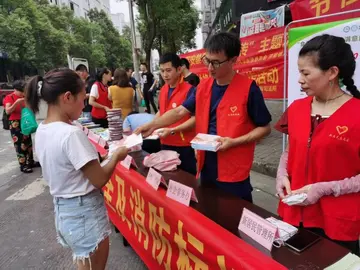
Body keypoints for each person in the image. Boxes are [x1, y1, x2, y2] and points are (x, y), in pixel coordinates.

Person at [136, 32, 271, 201]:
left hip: (233, 168)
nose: (210, 68)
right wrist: (153, 125)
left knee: (234, 216)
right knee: (210, 211)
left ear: (233, 60)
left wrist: (234, 142)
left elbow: (265, 128)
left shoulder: (248, 89)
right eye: (207, 61)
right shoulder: (203, 87)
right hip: (205, 163)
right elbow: (179, 111)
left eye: (216, 63)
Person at [25, 68, 129, 269]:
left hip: (65, 211)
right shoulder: (71, 134)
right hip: (84, 212)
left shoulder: (43, 129)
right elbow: (98, 179)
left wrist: (104, 158)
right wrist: (116, 156)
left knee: (84, 264)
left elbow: (72, 168)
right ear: (67, 97)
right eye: (82, 99)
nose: (83, 106)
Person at [275, 34, 360, 255]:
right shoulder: (297, 108)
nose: (300, 80)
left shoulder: (357, 114)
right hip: (293, 214)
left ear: (332, 72)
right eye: (299, 72)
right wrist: (282, 174)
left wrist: (324, 189)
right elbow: (290, 149)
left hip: (336, 223)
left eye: (306, 73)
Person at [155, 52, 197, 175]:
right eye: (162, 71)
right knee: (168, 181)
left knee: (186, 182)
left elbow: (195, 119)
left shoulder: (190, 90)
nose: (165, 75)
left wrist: (173, 130)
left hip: (184, 146)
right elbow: (161, 112)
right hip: (165, 142)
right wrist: (151, 126)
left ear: (179, 69)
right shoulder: (163, 90)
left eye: (168, 70)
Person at [3, 80, 37, 173]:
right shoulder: (9, 97)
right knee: (19, 144)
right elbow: (8, 111)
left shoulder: (25, 97)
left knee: (28, 142)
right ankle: (23, 165)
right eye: (21, 91)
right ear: (15, 89)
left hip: (25, 121)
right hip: (15, 123)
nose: (23, 93)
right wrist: (17, 102)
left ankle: (30, 161)